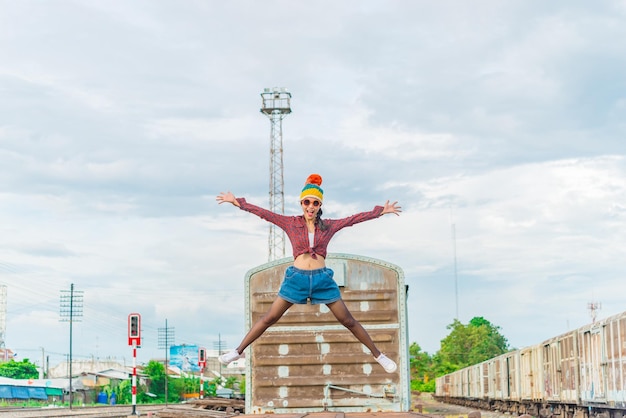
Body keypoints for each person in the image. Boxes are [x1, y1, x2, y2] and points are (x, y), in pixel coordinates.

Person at [215, 174, 402, 373]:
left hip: (322, 280)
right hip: (296, 280)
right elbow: (265, 214)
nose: (310, 207)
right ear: (301, 203)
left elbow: (352, 220)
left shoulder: (328, 226)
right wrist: (238, 203)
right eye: (306, 202)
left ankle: (379, 355)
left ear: (320, 205)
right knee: (269, 318)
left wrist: (380, 211)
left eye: (315, 203)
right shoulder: (290, 223)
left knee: (347, 320)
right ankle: (237, 351)